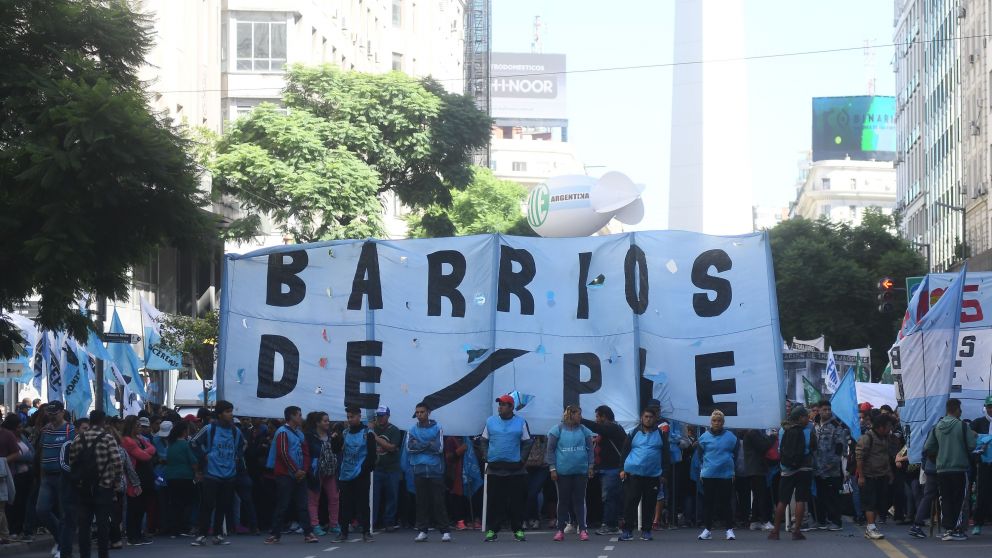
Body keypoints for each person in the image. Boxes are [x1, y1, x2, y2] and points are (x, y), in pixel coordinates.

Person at [67, 410, 123, 558]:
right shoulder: (108, 438)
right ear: (103, 421)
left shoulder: (79, 439)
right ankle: (102, 555)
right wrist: (116, 481)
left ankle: (84, 555)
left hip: (83, 488)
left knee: (84, 526)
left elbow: (72, 462)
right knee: (102, 525)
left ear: (90, 421)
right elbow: (117, 463)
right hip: (104, 487)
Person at [480, 393, 534, 542]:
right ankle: (492, 530)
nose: (500, 407)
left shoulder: (521, 422)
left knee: (517, 501)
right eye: (499, 404)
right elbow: (483, 440)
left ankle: (518, 530)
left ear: (511, 407)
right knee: (494, 501)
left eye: (503, 404)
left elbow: (528, 441)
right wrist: (486, 456)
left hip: (515, 468)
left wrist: (522, 460)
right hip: (494, 467)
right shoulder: (490, 421)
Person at [190, 400, 243, 546]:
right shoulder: (209, 428)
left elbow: (241, 445)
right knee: (207, 505)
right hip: (212, 474)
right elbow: (193, 442)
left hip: (229, 474)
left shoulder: (235, 431)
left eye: (231, 411)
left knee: (223, 506)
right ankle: (202, 535)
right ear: (219, 414)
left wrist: (236, 458)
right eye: (227, 411)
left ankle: (218, 535)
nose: (230, 414)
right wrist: (204, 455)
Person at [924, 398, 978, 541]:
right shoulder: (962, 426)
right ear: (956, 410)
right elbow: (972, 446)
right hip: (959, 468)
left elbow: (928, 447)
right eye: (960, 409)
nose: (961, 412)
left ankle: (948, 529)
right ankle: (956, 530)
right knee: (959, 500)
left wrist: (940, 456)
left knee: (945, 499)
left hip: (942, 469)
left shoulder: (937, 426)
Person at [264, 406, 316, 544]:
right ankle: (275, 534)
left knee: (303, 505)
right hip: (285, 475)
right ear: (292, 417)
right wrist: (295, 470)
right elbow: (282, 453)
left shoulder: (300, 433)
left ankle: (308, 533)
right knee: (283, 505)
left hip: (300, 475)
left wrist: (303, 470)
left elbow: (306, 453)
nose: (301, 417)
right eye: (299, 415)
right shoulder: (282, 432)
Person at [546, 405, 594, 542]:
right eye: (578, 414)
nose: (580, 417)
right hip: (562, 472)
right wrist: (552, 469)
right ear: (570, 414)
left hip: (580, 471)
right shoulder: (557, 430)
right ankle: (560, 530)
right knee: (563, 501)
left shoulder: (584, 431)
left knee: (579, 500)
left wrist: (590, 466)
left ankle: (583, 529)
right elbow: (550, 450)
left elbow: (590, 450)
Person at [768, 404, 816, 541]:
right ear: (801, 417)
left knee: (782, 500)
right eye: (806, 416)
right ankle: (797, 531)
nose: (808, 418)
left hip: (787, 469)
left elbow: (780, 449)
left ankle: (775, 532)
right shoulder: (810, 428)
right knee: (801, 500)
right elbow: (814, 447)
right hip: (805, 468)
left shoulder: (784, 429)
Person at [619, 407, 667, 542]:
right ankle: (628, 531)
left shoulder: (661, 434)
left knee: (650, 503)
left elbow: (666, 455)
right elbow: (625, 451)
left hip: (653, 474)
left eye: (651, 417)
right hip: (633, 473)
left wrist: (665, 473)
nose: (648, 419)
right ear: (642, 418)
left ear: (655, 419)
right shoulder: (633, 433)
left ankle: (646, 531)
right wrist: (622, 469)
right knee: (630, 502)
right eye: (646, 416)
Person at [407, 402, 452, 542]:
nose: (419, 415)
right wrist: (428, 444)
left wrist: (419, 444)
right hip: (419, 470)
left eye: (422, 412)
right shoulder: (412, 429)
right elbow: (410, 448)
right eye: (418, 412)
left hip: (435, 470)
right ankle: (422, 531)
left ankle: (445, 531)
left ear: (428, 413)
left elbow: (439, 448)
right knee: (421, 502)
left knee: (438, 502)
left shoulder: (438, 428)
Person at [34, 401, 74, 557]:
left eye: (54, 414)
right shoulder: (45, 431)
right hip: (47, 478)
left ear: (62, 412)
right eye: (49, 414)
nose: (51, 417)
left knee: (65, 514)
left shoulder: (70, 430)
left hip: (64, 477)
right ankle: (60, 538)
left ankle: (63, 546)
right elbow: (41, 452)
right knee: (41, 510)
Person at [332, 406, 376, 543]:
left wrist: (364, 470)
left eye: (352, 416)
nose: (350, 419)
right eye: (348, 417)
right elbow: (336, 450)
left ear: (359, 416)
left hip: (361, 474)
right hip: (346, 474)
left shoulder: (367, 433)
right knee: (345, 505)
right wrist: (335, 438)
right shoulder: (344, 433)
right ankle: (343, 532)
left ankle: (366, 533)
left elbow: (372, 455)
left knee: (363, 504)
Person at [581, 405, 626, 536]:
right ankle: (609, 522)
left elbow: (597, 428)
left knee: (609, 497)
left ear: (604, 416)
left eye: (597, 416)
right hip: (604, 469)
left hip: (612, 469)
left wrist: (582, 420)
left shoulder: (612, 427)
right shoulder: (609, 429)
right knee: (607, 497)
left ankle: (610, 525)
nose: (596, 420)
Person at [696, 410, 738, 541]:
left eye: (719, 421)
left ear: (723, 422)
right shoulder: (703, 437)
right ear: (711, 422)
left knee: (726, 502)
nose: (716, 423)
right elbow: (699, 455)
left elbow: (735, 452)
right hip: (709, 474)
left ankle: (729, 530)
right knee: (708, 503)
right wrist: (704, 469)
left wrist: (730, 466)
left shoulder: (731, 437)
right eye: (714, 420)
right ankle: (707, 529)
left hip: (725, 474)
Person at [855, 412, 898, 540]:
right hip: (869, 476)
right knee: (870, 503)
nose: (890, 429)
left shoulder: (885, 438)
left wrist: (889, 473)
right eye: (888, 426)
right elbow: (859, 458)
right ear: (880, 427)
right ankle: (871, 527)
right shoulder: (867, 438)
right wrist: (861, 476)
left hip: (882, 476)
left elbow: (885, 457)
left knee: (878, 503)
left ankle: (871, 527)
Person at [813, 400, 850, 531]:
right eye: (824, 409)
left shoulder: (836, 426)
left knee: (833, 496)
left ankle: (836, 521)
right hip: (817, 468)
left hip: (831, 469)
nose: (827, 412)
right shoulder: (815, 425)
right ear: (818, 410)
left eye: (829, 409)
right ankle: (821, 521)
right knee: (820, 496)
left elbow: (840, 448)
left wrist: (831, 463)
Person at [121, 415, 156, 545]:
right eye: (137, 425)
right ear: (131, 426)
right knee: (134, 507)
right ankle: (132, 536)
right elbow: (144, 456)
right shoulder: (127, 440)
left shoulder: (140, 439)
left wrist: (144, 451)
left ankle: (139, 533)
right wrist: (145, 451)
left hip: (145, 477)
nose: (140, 428)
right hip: (134, 477)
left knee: (142, 507)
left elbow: (152, 449)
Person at [304, 412, 339, 537]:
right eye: (325, 421)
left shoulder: (331, 435)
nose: (328, 423)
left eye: (328, 420)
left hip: (330, 470)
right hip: (315, 471)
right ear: (317, 423)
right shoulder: (309, 436)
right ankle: (315, 525)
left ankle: (334, 524)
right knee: (314, 499)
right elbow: (307, 453)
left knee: (334, 497)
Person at [371, 406, 403, 532]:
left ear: (388, 416)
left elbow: (391, 447)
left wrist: (376, 438)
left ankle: (389, 522)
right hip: (376, 468)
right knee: (374, 497)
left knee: (392, 496)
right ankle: (372, 522)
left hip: (391, 468)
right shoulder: (372, 428)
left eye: (382, 415)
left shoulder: (394, 430)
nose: (380, 418)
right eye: (378, 415)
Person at [163, 420, 197, 537]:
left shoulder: (171, 444)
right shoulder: (186, 444)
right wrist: (197, 472)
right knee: (187, 502)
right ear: (184, 431)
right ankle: (184, 526)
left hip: (171, 476)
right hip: (185, 476)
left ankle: (174, 528)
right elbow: (193, 461)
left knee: (174, 503)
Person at [738, 427, 773, 531]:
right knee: (761, 495)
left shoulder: (751, 432)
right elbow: (763, 447)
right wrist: (772, 438)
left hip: (753, 468)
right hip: (756, 468)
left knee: (757, 495)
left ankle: (754, 521)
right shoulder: (753, 432)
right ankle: (765, 521)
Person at [971, 395, 992, 535]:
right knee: (981, 493)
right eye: (990, 407)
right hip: (984, 464)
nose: (991, 409)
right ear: (986, 407)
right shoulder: (979, 422)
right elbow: (970, 435)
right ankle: (978, 522)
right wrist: (980, 437)